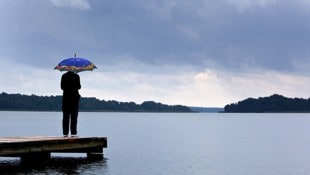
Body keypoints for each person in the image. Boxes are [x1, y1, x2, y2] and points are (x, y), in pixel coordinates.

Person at [61, 71, 81, 137]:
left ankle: (65, 133)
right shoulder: (76, 76)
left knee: (65, 116)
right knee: (74, 116)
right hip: (74, 99)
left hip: (66, 98)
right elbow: (79, 87)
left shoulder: (64, 76)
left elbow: (62, 87)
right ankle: (73, 133)